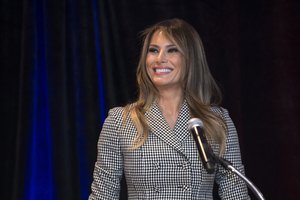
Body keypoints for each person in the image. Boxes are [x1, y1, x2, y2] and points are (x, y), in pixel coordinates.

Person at [89, 18, 250, 199]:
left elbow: (235, 193)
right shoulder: (121, 121)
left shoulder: (216, 121)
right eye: (153, 50)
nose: (160, 59)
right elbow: (103, 195)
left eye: (172, 50)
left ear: (191, 59)